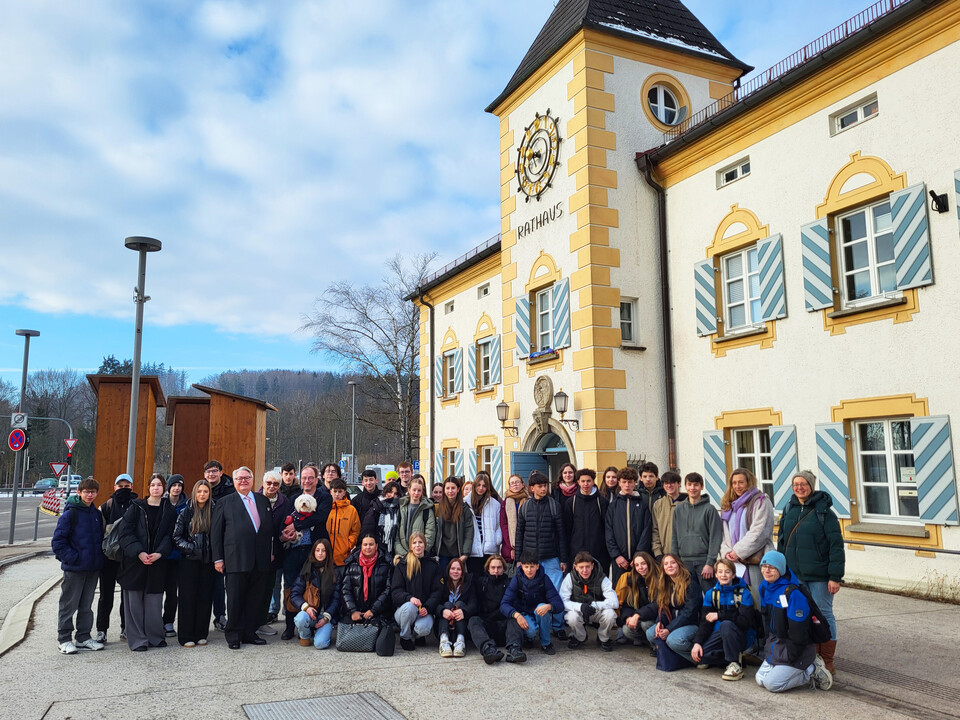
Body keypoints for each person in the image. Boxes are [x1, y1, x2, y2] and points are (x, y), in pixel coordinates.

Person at [778, 469, 844, 674]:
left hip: (820, 576)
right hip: (796, 574)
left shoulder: (824, 512)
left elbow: (836, 546)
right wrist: (782, 570)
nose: (799, 488)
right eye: (795, 484)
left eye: (803, 484)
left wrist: (835, 576)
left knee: (824, 615)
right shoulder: (789, 509)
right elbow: (782, 541)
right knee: (803, 614)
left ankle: (828, 660)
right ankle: (812, 656)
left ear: (811, 486)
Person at [211, 466, 275, 650]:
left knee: (255, 599)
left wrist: (270, 551)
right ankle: (234, 635)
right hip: (235, 559)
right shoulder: (225, 502)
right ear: (234, 481)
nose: (243, 481)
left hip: (260, 559)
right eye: (239, 478)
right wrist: (218, 559)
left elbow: (268, 530)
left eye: (247, 477)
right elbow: (216, 534)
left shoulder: (263, 500)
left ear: (252, 480)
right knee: (235, 599)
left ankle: (249, 632)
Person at [755, 551, 833, 692]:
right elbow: (766, 619)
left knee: (773, 684)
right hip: (776, 644)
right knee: (760, 680)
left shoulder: (793, 594)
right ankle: (786, 667)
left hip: (795, 648)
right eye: (764, 566)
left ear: (781, 569)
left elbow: (799, 632)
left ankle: (811, 670)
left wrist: (791, 657)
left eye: (772, 568)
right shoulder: (764, 587)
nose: (766, 570)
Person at [118, 473, 177, 651]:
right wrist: (140, 552)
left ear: (164, 488)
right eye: (153, 485)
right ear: (148, 488)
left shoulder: (169, 509)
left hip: (158, 563)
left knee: (154, 603)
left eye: (159, 485)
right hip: (135, 563)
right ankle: (137, 640)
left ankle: (155, 637)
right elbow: (125, 533)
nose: (156, 488)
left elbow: (171, 535)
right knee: (134, 604)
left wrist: (160, 553)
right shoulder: (136, 507)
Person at [52, 477, 105, 654]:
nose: (90, 495)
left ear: (97, 493)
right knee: (68, 604)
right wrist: (73, 558)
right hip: (74, 569)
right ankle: (64, 639)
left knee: (86, 605)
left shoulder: (96, 514)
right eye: (86, 492)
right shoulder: (70, 514)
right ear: (79, 492)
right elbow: (58, 543)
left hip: (92, 568)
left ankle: (83, 637)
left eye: (93, 492)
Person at [279, 463, 332, 640]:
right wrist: (285, 533)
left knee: (313, 586)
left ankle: (312, 622)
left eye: (310, 478)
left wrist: (296, 524)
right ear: (300, 480)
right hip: (293, 550)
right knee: (289, 587)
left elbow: (320, 517)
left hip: (314, 551)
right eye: (304, 478)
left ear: (317, 479)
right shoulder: (293, 498)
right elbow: (284, 521)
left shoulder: (324, 497)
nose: (307, 481)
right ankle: (289, 626)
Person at [514, 470, 567, 638]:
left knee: (556, 593)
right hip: (530, 561)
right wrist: (518, 559)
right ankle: (536, 625)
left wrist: (563, 558)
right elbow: (519, 533)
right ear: (532, 488)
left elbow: (561, 534)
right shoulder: (525, 506)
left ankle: (558, 627)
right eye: (540, 486)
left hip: (551, 557)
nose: (543, 489)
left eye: (545, 486)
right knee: (531, 593)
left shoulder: (554, 505)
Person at [690, 558, 758, 681]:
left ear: (733, 574)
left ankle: (734, 663)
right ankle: (728, 657)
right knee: (702, 656)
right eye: (720, 572)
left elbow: (745, 622)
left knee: (726, 624)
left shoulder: (744, 593)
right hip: (719, 635)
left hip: (740, 635)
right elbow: (705, 622)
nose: (723, 575)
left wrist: (720, 615)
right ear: (715, 575)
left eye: (727, 572)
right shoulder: (711, 594)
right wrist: (697, 642)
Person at [173, 479, 216, 647]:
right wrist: (191, 548)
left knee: (205, 598)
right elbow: (176, 537)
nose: (202, 494)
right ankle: (186, 635)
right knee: (187, 598)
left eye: (205, 491)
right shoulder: (186, 512)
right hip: (189, 561)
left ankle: (201, 633)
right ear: (194, 493)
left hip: (208, 561)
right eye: (199, 491)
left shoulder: (215, 510)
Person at [500, 550, 564, 660]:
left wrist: (549, 606)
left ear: (537, 566)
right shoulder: (517, 580)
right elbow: (504, 604)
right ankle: (528, 638)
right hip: (523, 613)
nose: (529, 570)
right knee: (531, 631)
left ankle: (546, 643)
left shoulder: (544, 579)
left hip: (539, 611)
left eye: (532, 566)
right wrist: (516, 615)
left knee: (542, 607)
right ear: (522, 567)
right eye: (526, 567)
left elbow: (559, 604)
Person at [95, 473, 137, 643]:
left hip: (128, 558)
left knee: (127, 596)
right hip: (108, 559)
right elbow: (99, 533)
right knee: (106, 595)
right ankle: (101, 630)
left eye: (127, 486)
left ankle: (125, 627)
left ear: (132, 487)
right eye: (120, 486)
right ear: (114, 488)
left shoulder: (136, 506)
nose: (123, 489)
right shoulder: (105, 507)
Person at [720, 468, 775, 594]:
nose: (737, 486)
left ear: (749, 482)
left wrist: (738, 551)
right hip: (733, 562)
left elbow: (760, 531)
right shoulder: (728, 505)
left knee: (757, 597)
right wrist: (727, 552)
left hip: (754, 559)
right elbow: (724, 533)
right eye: (734, 483)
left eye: (741, 482)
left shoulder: (761, 501)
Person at [638, 553, 701, 663]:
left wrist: (669, 629)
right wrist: (660, 622)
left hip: (691, 624)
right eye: (666, 564)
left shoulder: (690, 583)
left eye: (673, 563)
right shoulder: (665, 584)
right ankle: (677, 656)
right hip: (673, 622)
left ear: (679, 565)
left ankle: (697, 658)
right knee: (651, 634)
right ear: (663, 568)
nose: (669, 566)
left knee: (673, 640)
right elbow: (663, 607)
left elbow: (689, 613)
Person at [671, 472, 722, 593]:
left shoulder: (710, 510)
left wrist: (710, 563)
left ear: (702, 486)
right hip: (684, 562)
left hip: (703, 562)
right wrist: (675, 561)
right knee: (689, 598)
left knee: (709, 596)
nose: (692, 488)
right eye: (689, 485)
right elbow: (674, 536)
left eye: (696, 485)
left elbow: (715, 538)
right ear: (685, 486)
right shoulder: (678, 510)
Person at [392, 532, 443, 651]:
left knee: (424, 628)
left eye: (420, 542)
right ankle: (405, 637)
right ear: (410, 546)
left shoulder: (433, 565)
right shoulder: (402, 565)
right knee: (410, 607)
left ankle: (417, 636)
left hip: (424, 610)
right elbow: (395, 592)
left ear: (425, 545)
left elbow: (437, 591)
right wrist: (409, 598)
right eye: (414, 543)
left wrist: (428, 607)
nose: (417, 545)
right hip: (405, 610)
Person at [559, 551, 619, 651]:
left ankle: (603, 638)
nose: (585, 570)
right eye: (581, 567)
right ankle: (580, 637)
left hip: (596, 610)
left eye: (587, 566)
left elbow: (614, 602)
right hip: (579, 611)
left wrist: (595, 605)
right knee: (571, 617)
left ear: (592, 566)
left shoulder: (602, 578)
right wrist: (580, 606)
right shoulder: (570, 578)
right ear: (575, 567)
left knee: (610, 614)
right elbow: (562, 602)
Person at [605, 467, 653, 584]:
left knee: (640, 588)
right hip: (620, 560)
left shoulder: (642, 504)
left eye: (630, 482)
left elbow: (647, 530)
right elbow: (608, 531)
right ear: (619, 483)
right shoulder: (613, 505)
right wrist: (616, 555)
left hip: (639, 560)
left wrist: (639, 555)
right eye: (624, 482)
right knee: (621, 590)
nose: (627, 485)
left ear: (635, 483)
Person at [290, 538, 340, 649]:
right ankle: (305, 635)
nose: (320, 553)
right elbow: (294, 594)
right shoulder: (307, 568)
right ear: (313, 552)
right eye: (317, 550)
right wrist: (306, 607)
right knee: (300, 618)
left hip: (325, 614)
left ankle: (321, 631)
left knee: (320, 644)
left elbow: (337, 598)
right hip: (310, 611)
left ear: (328, 553)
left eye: (323, 551)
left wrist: (326, 617)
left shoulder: (335, 571)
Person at [340, 533, 393, 627]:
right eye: (365, 544)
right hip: (355, 611)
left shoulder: (385, 564)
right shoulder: (352, 563)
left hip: (378, 612)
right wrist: (353, 611)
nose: (368, 547)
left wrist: (373, 610)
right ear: (361, 546)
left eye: (371, 544)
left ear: (376, 546)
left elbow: (388, 590)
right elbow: (345, 590)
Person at [258, 470, 289, 626]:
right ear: (263, 483)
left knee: (276, 581)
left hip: (279, 547)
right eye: (269, 483)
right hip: (258, 549)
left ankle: (274, 610)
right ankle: (263, 612)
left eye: (276, 484)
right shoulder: (254, 500)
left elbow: (287, 522)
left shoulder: (285, 502)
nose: (271, 486)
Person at [564, 467, 609, 571]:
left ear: (593, 481)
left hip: (599, 552)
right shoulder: (571, 502)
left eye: (588, 481)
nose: (586, 484)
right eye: (583, 481)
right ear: (578, 482)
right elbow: (567, 529)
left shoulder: (602, 502)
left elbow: (606, 527)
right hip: (577, 551)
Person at [204, 460, 231, 630]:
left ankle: (221, 616)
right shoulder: (202, 490)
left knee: (222, 583)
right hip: (205, 542)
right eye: (208, 472)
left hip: (225, 541)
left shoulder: (230, 490)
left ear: (221, 472)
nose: (211, 474)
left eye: (214, 471)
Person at [468, 554, 510, 664]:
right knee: (473, 621)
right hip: (487, 626)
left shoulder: (509, 583)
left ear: (504, 568)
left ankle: (515, 649)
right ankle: (488, 649)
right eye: (493, 567)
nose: (496, 570)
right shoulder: (480, 582)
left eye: (499, 567)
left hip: (504, 625)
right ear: (488, 568)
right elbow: (474, 603)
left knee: (516, 619)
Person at [161, 473, 187, 638]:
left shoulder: (187, 505)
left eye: (179, 485)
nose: (177, 488)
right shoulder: (161, 504)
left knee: (172, 591)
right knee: (156, 591)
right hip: (161, 554)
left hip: (178, 555)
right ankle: (154, 621)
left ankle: (168, 621)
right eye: (174, 485)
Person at [616, 551, 660, 647]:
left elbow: (657, 604)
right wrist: (628, 617)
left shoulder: (659, 578)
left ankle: (657, 646)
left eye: (643, 564)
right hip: (642, 616)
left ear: (649, 563)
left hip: (657, 618)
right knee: (626, 630)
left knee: (646, 624)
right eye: (637, 565)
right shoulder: (634, 580)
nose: (640, 567)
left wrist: (637, 615)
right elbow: (627, 604)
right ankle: (649, 641)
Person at [436, 556, 476, 658]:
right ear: (448, 570)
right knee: (447, 605)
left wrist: (464, 612)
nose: (455, 571)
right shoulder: (442, 582)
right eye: (453, 569)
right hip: (443, 626)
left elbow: (474, 604)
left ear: (462, 572)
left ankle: (460, 642)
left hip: (461, 626)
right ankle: (444, 641)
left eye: (458, 569)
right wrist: (442, 611)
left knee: (460, 604)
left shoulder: (469, 583)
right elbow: (434, 602)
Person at [435, 478, 475, 573]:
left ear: (458, 489)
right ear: (444, 490)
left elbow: (469, 532)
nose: (450, 491)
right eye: (447, 488)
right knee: (443, 580)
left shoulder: (465, 509)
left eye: (453, 488)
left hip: (459, 552)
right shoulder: (438, 508)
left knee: (457, 581)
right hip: (442, 552)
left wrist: (465, 554)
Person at [467, 471, 502, 575]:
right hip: (473, 550)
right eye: (478, 485)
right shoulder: (465, 502)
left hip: (489, 549)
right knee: (475, 581)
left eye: (484, 486)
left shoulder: (495, 504)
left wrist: (497, 540)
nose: (481, 488)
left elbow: (499, 525)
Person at [394, 475, 437, 559]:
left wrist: (419, 552)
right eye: (414, 490)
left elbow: (430, 535)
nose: (416, 493)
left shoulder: (427, 510)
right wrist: (405, 554)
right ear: (409, 490)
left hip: (420, 556)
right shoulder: (400, 508)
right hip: (403, 556)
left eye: (419, 490)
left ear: (422, 492)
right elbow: (396, 535)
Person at [362, 481, 402, 563]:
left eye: (395, 493)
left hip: (396, 550)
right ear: (385, 492)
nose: (392, 496)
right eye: (390, 492)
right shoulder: (376, 507)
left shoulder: (400, 509)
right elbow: (368, 529)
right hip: (378, 551)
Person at [327, 478, 361, 567]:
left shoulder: (351, 510)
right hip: (325, 555)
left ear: (344, 493)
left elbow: (356, 531)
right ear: (331, 492)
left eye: (340, 491)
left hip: (343, 556)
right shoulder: (326, 507)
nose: (337, 494)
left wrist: (348, 545)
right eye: (335, 491)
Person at [651, 471, 686, 559]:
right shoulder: (658, 504)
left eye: (672, 483)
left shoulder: (687, 503)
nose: (669, 486)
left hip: (685, 555)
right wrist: (658, 553)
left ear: (679, 484)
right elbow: (654, 530)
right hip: (664, 554)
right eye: (666, 483)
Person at [499, 474, 528, 565]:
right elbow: (503, 525)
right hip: (509, 545)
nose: (515, 485)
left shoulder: (529, 501)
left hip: (527, 543)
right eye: (512, 483)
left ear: (522, 484)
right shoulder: (505, 503)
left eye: (517, 482)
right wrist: (512, 547)